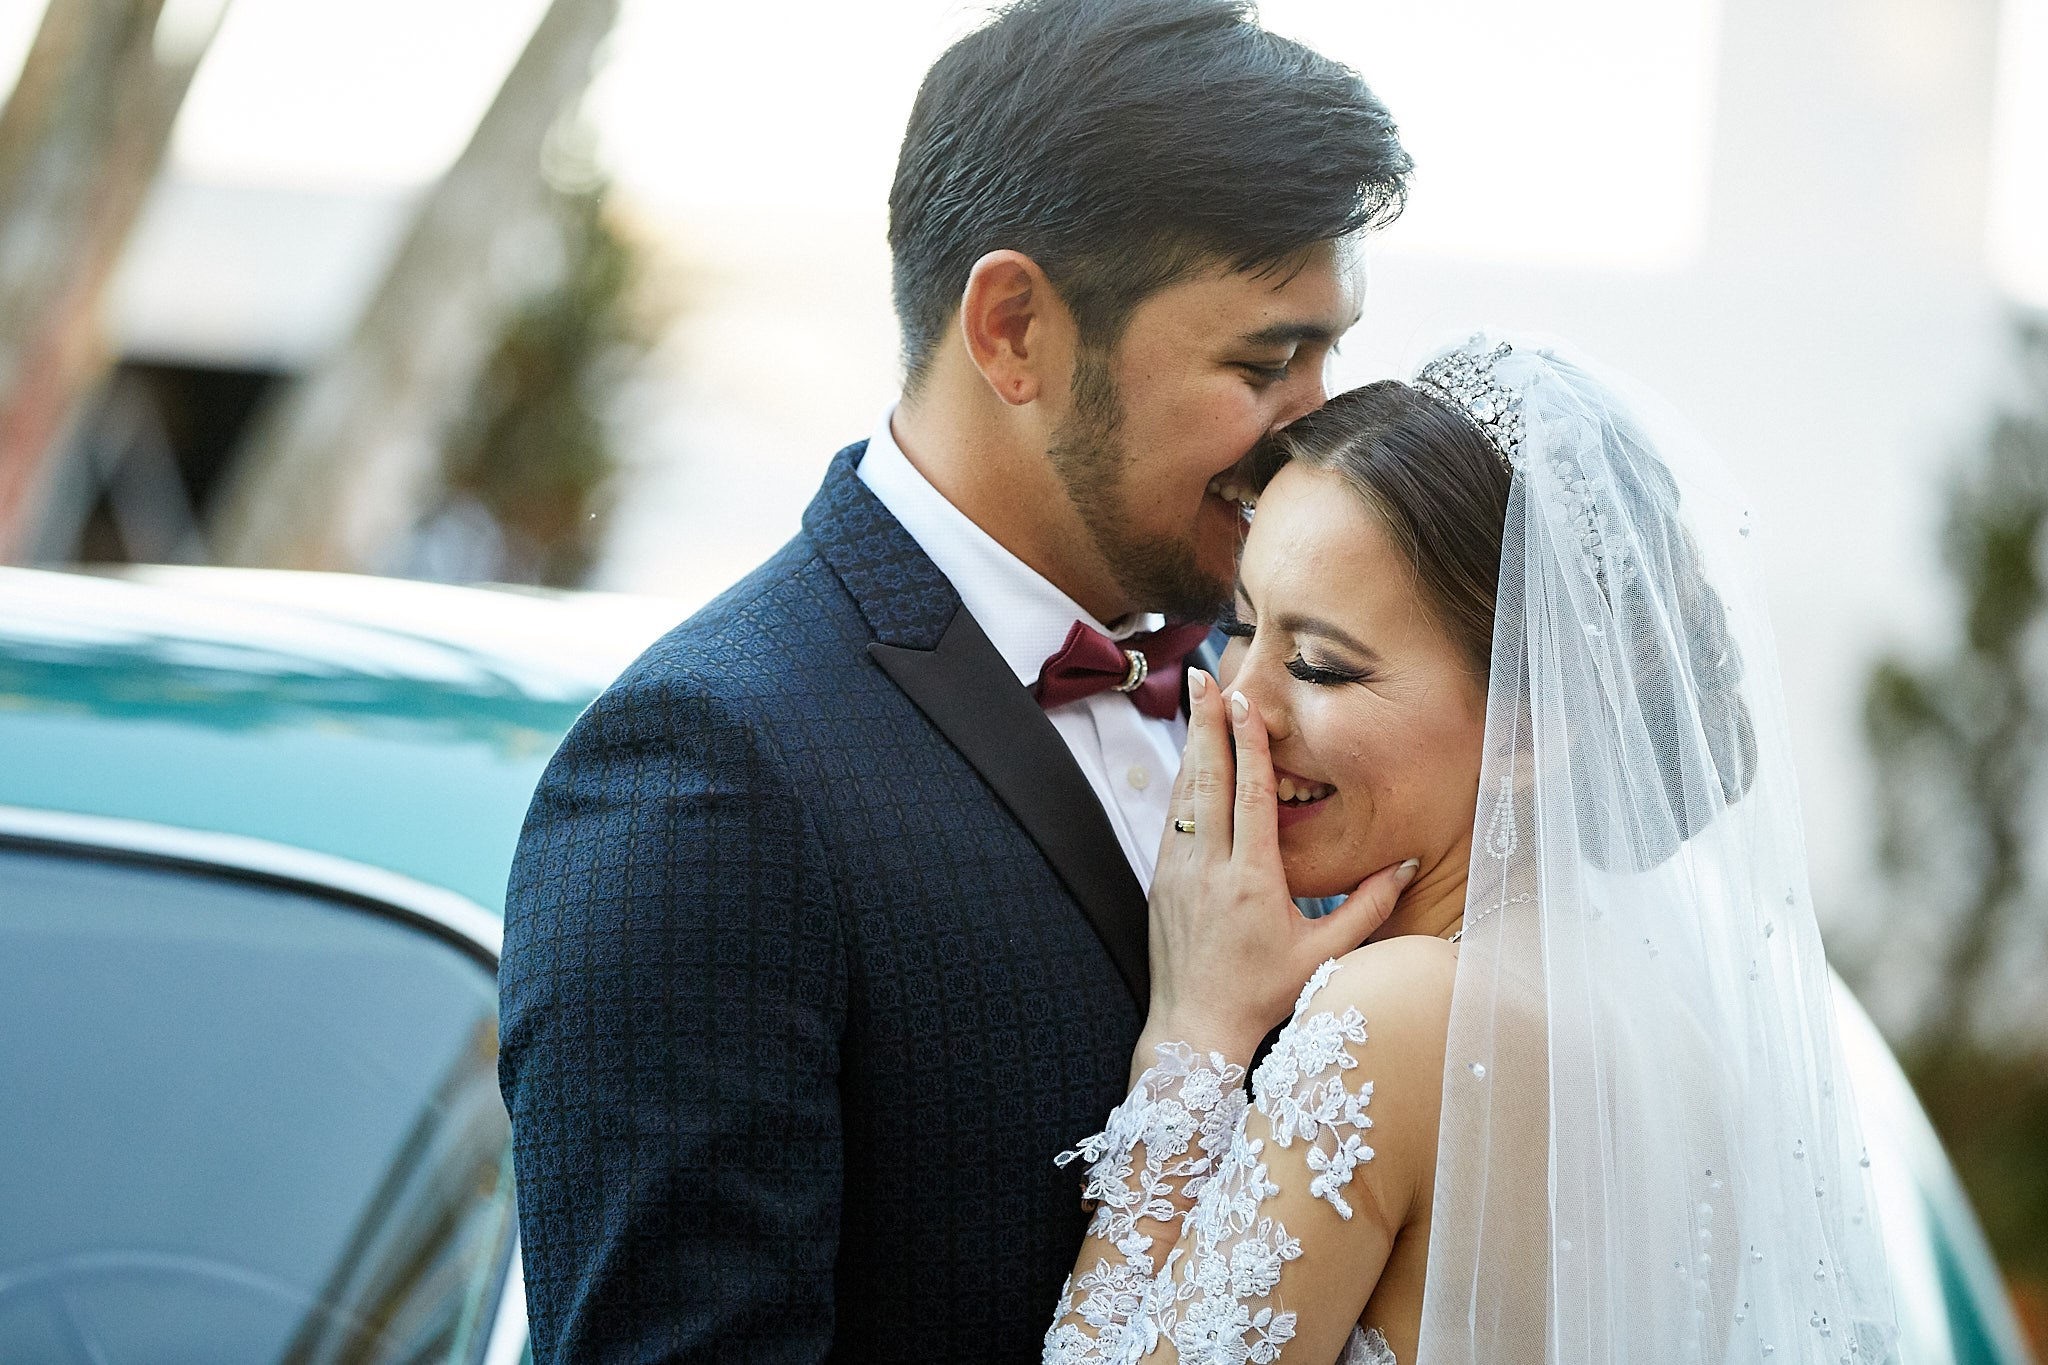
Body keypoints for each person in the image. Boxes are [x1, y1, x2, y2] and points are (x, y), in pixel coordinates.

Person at [496, 0, 1412, 1359]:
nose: (1320, 427)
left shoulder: (1302, 693)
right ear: (1013, 331)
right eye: (1267, 362)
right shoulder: (709, 774)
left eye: (1330, 354)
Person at [1042, 334, 1899, 1363]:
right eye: (1240, 624)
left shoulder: (1392, 1018)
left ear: (1530, 730)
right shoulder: (1678, 1042)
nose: (1240, 703)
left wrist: (1194, 1032)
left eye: (1318, 666)